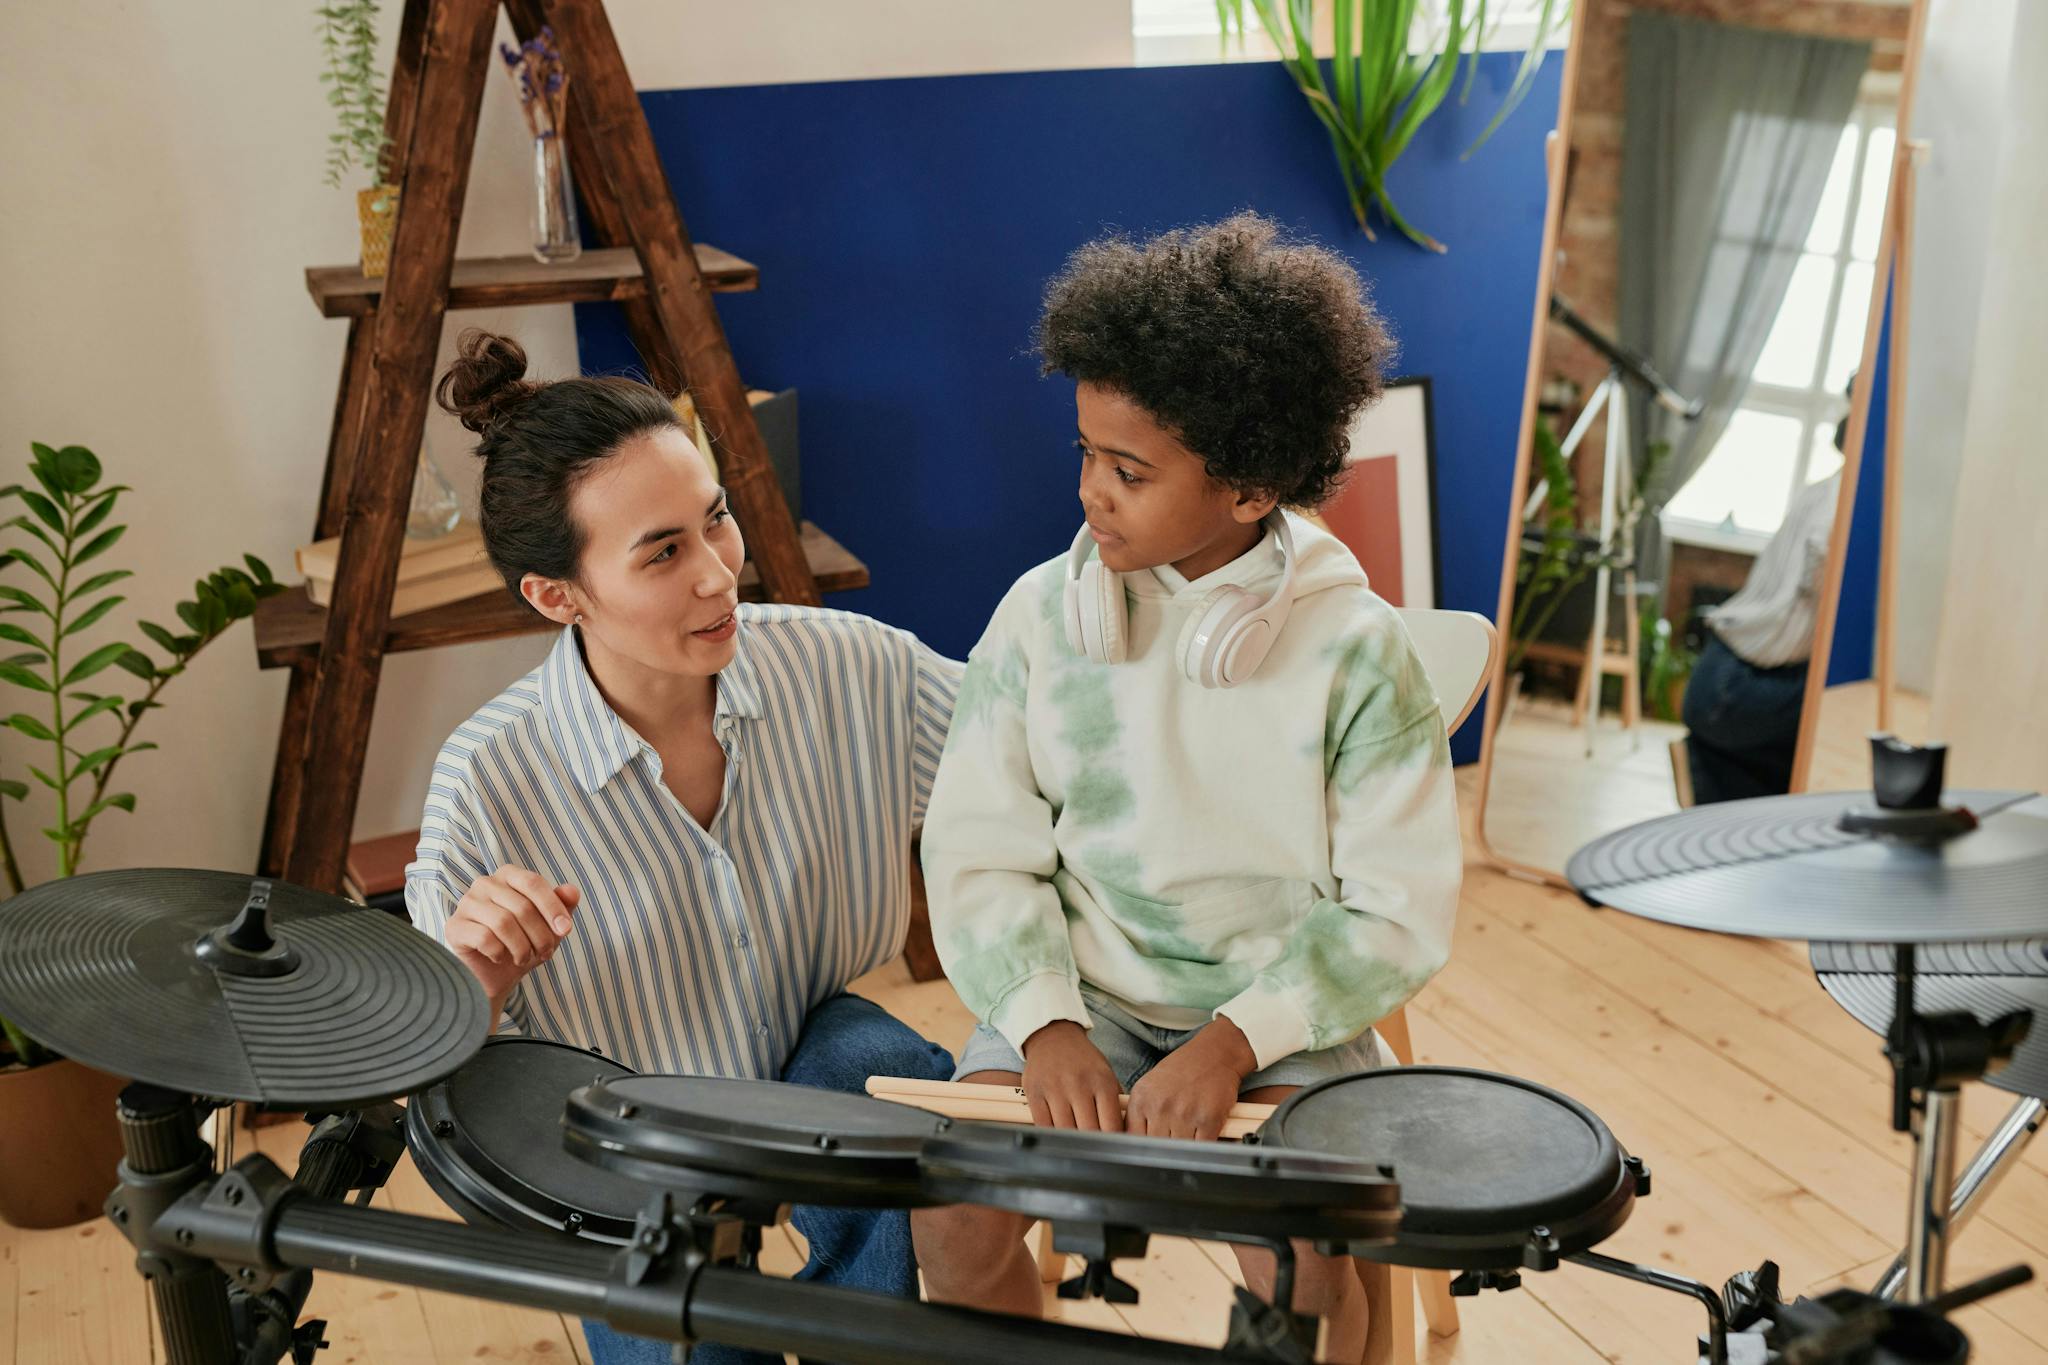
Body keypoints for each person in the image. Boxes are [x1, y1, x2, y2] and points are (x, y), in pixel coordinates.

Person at [911, 215, 1464, 1363]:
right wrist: (1044, 1019)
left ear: (1251, 486)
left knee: (1308, 1257)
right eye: (1083, 454)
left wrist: (1230, 1043)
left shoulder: (1356, 655)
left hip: (1280, 1017)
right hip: (1082, 999)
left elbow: (1395, 908)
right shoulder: (1035, 619)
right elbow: (975, 848)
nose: (1089, 495)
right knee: (951, 1217)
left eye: (1128, 471)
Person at [404, 331, 959, 1365]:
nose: (717, 577)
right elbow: (434, 1056)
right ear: (556, 596)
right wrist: (473, 975)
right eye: (662, 552)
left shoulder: (846, 667)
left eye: (715, 523)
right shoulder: (486, 778)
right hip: (630, 1140)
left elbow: (1036, 766)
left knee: (875, 1064)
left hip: (810, 1054)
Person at [1682, 394, 1851, 804]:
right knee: (1842, 721)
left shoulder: (1823, 490)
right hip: (1741, 689)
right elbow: (1827, 582)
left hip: (1719, 676)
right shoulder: (1840, 505)